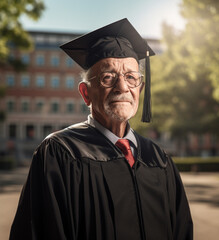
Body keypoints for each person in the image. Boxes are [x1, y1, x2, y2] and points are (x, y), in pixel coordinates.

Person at [10, 18, 193, 240]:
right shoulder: (61, 153)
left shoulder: (159, 159)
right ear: (86, 93)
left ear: (141, 88)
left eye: (131, 77)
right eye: (108, 77)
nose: (122, 87)